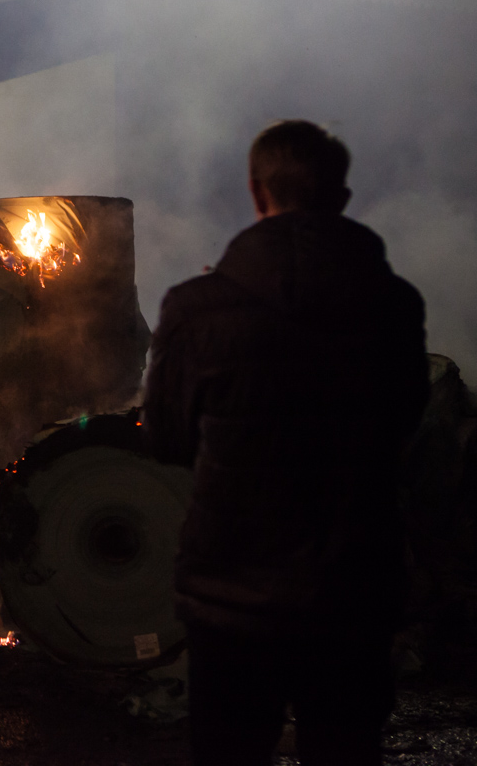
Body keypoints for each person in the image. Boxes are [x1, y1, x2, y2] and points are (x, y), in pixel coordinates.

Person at [143, 119, 429, 765]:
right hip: (354, 589)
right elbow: (405, 420)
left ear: (256, 191)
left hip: (230, 596)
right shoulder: (395, 304)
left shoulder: (196, 306)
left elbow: (165, 439)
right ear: (342, 196)